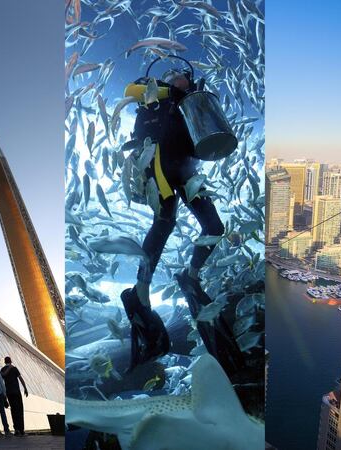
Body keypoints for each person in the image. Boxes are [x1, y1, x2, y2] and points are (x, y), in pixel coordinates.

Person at [121, 69, 226, 369]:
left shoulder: (188, 104)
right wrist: (171, 91)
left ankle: (191, 274)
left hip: (187, 172)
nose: (183, 80)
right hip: (160, 167)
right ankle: (141, 290)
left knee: (215, 227)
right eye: (177, 76)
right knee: (164, 223)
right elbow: (130, 89)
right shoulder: (154, 93)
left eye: (185, 78)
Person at [0, 356, 28, 436]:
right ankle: (21, 430)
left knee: (13, 410)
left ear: (5, 362)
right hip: (16, 392)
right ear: (11, 361)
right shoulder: (14, 368)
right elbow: (20, 378)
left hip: (9, 392)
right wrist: (25, 388)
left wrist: (3, 393)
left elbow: (1, 381)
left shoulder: (2, 370)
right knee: (19, 410)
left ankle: (16, 430)